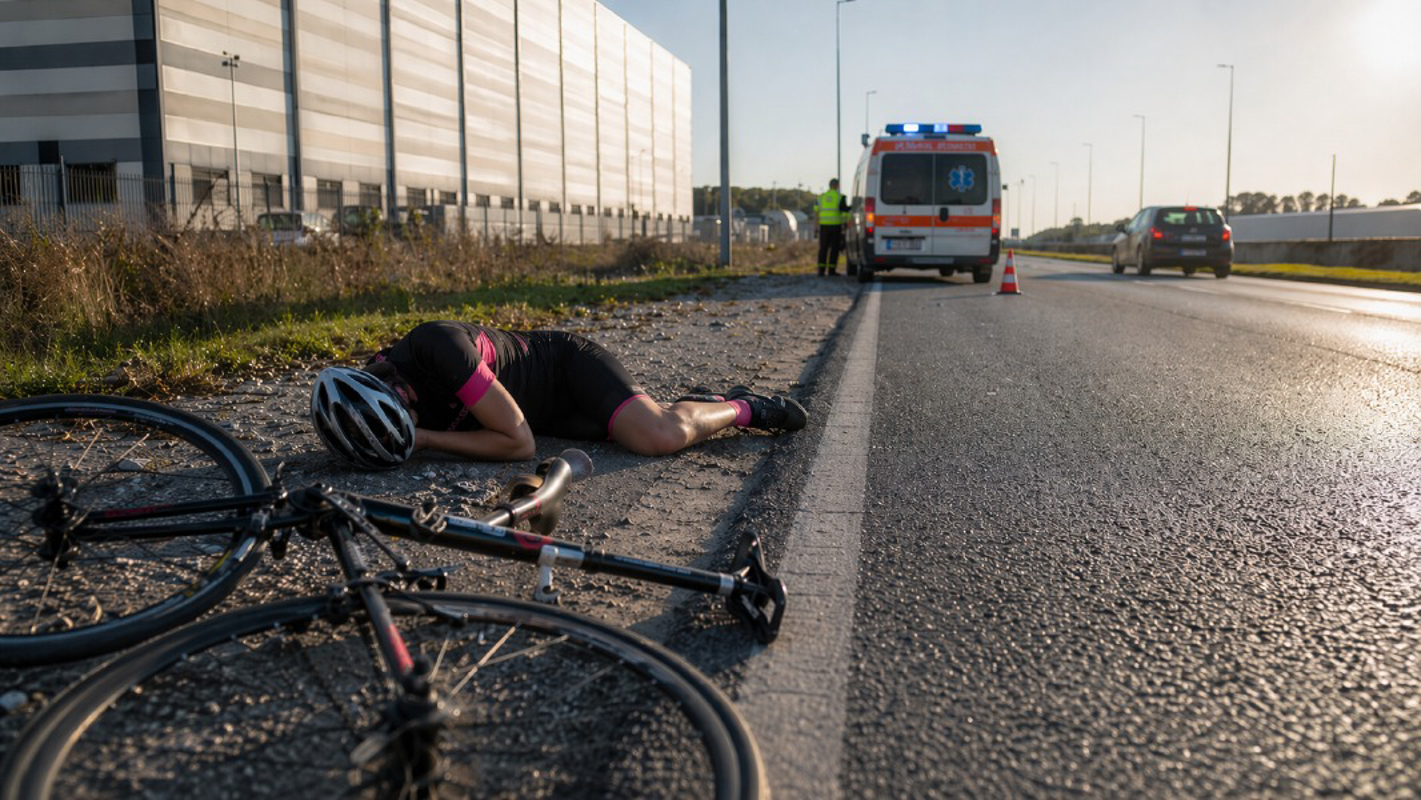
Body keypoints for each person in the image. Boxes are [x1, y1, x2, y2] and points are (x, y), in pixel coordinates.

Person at [310, 321, 808, 468]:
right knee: (648, 429)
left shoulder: (435, 347)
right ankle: (704, 403)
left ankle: (745, 406)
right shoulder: (371, 410)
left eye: (405, 402)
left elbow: (518, 443)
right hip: (542, 415)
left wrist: (423, 440)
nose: (412, 404)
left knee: (658, 436)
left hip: (564, 368)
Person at [816, 178, 850, 276]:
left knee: (823, 248)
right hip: (836, 226)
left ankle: (821, 271)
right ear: (837, 186)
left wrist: (815, 227)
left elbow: (816, 213)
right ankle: (831, 270)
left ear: (830, 185)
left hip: (823, 226)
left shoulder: (821, 197)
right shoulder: (840, 197)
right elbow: (845, 211)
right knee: (834, 249)